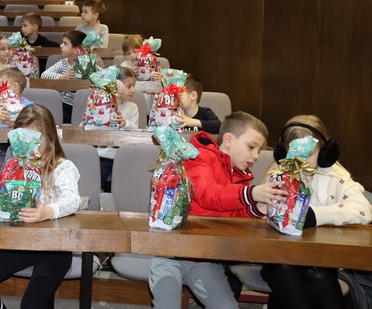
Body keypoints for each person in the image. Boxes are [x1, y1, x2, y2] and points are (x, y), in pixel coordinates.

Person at [149, 111, 285, 309]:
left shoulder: (241, 176)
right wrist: (251, 194)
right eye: (251, 147)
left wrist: (255, 209)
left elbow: (232, 218)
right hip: (171, 252)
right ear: (228, 140)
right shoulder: (199, 156)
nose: (256, 156)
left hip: (204, 258)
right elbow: (208, 195)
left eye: (259, 150)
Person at [0, 104, 81, 309]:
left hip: (55, 248)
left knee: (31, 304)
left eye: (35, 139)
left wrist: (47, 212)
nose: (29, 145)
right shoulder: (15, 166)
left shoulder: (63, 168)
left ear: (50, 137)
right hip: (21, 243)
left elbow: (72, 200)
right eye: (23, 139)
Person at [260, 115, 371, 309]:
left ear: (324, 152)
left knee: (321, 279)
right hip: (279, 257)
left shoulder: (336, 175)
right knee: (285, 272)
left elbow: (363, 210)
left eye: (308, 154)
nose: (301, 160)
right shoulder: (278, 173)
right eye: (295, 153)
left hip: (319, 259)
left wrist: (316, 215)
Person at [90, 66, 139, 191]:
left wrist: (125, 123)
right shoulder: (99, 105)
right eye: (129, 86)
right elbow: (87, 129)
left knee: (126, 186)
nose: (133, 90)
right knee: (93, 183)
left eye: (134, 86)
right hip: (101, 156)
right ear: (116, 85)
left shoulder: (132, 107)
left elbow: (135, 134)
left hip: (122, 156)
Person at [40, 30, 105, 124]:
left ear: (77, 49)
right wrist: (62, 77)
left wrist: (93, 76)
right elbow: (44, 75)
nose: (61, 45)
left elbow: (104, 76)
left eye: (65, 43)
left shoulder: (89, 65)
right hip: (65, 105)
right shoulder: (63, 63)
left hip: (86, 105)